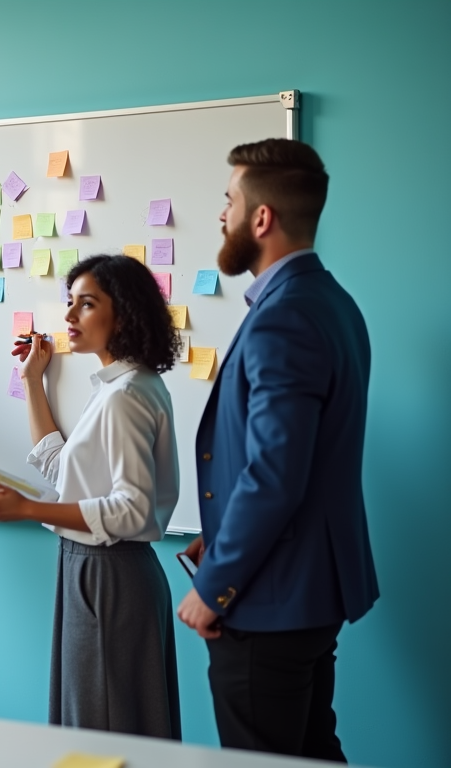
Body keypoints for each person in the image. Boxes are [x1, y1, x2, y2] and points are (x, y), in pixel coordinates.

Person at [177, 139, 379, 761]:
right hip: (312, 592)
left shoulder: (282, 316)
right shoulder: (333, 303)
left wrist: (216, 586)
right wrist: (221, 536)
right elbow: (298, 461)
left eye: (229, 201)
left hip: (270, 603)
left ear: (261, 218)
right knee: (314, 751)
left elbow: (275, 475)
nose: (222, 215)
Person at [0, 254, 182, 739]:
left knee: (102, 730)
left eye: (85, 305)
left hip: (109, 573)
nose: (68, 317)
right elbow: (62, 466)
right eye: (70, 303)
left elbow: (131, 508)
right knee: (97, 723)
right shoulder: (119, 387)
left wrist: (29, 509)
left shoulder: (127, 397)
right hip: (91, 568)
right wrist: (33, 382)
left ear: (124, 314)